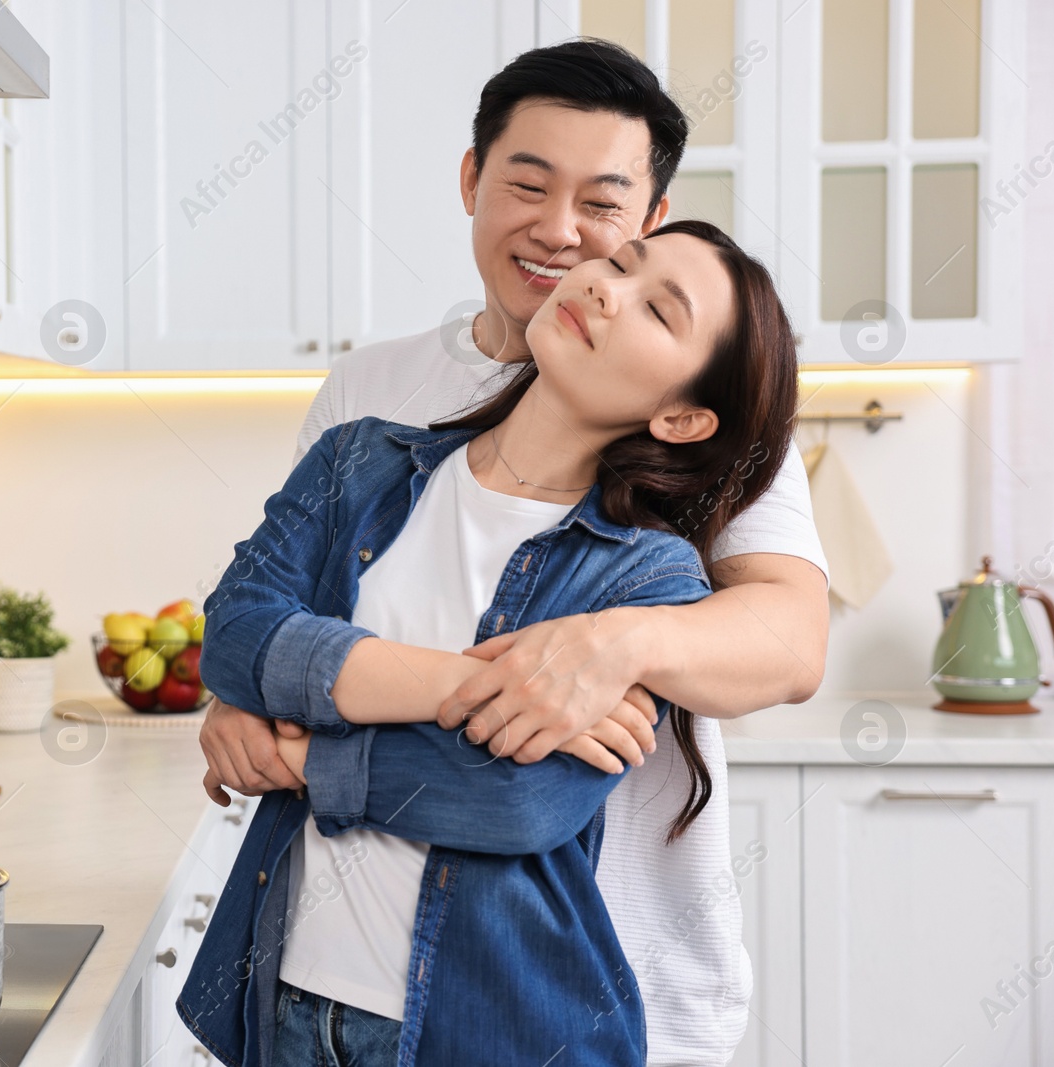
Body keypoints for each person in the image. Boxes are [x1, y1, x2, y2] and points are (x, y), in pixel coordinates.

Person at [196, 40, 829, 1064]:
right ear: (470, 180)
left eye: (606, 207)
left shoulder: (690, 459)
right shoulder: (370, 405)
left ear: (651, 218)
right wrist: (260, 697)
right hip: (315, 976)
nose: (565, 236)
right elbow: (267, 612)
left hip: (579, 976)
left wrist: (607, 647)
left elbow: (792, 643)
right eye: (527, 183)